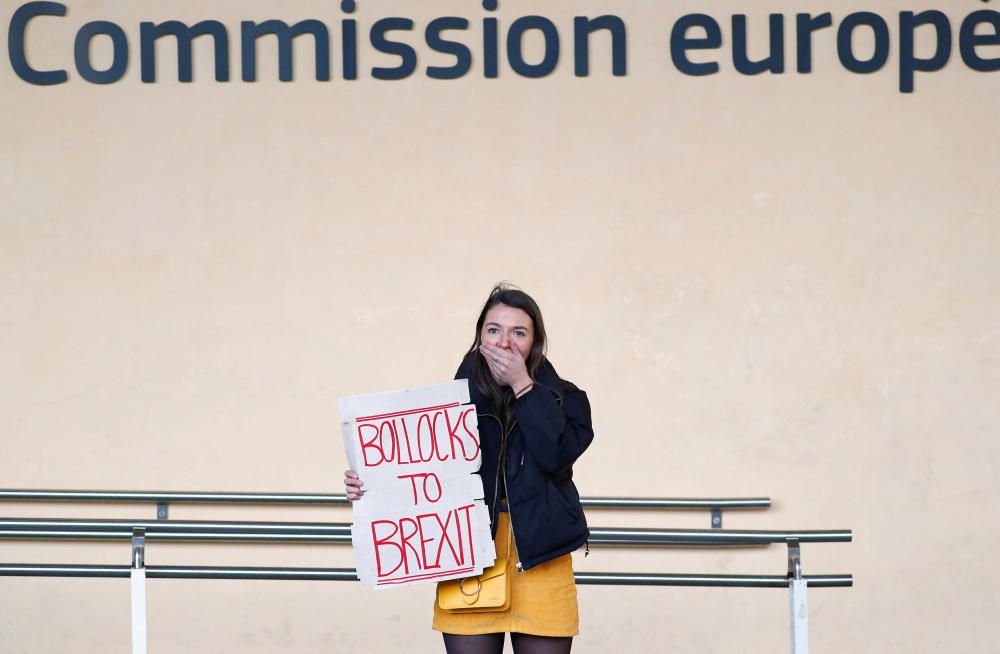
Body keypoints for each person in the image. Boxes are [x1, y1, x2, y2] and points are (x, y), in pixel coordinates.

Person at [345, 283, 594, 654]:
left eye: (519, 333)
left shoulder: (568, 400)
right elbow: (418, 474)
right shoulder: (446, 406)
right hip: (472, 555)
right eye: (494, 330)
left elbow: (555, 456)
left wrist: (523, 386)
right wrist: (370, 484)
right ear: (480, 338)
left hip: (541, 560)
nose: (505, 343)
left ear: (535, 344)